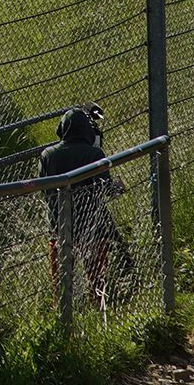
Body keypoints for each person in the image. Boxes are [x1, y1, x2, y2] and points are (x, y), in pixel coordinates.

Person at [39, 104, 122, 307]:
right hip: (91, 222)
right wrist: (118, 187)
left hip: (59, 223)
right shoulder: (94, 154)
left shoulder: (48, 155)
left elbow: (43, 188)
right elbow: (105, 189)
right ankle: (98, 303)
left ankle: (61, 308)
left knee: (60, 278)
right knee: (95, 274)